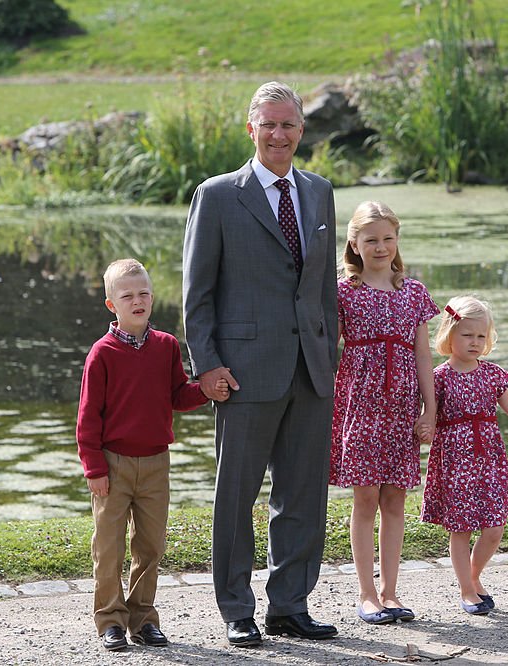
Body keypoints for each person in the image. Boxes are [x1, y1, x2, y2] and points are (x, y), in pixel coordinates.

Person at [182, 81, 339, 647]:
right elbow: (196, 294)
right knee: (237, 495)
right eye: (268, 124)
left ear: (302, 131)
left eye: (289, 125)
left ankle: (290, 605)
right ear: (251, 129)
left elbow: (323, 290)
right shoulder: (219, 195)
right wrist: (207, 365)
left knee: (302, 494)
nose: (279, 134)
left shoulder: (320, 192)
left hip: (311, 371)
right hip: (243, 372)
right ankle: (237, 609)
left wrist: (331, 357)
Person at [76, 258, 225, 651]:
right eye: (127, 296)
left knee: (150, 546)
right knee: (108, 548)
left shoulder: (166, 346)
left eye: (143, 294)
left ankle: (143, 619)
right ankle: (109, 620)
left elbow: (177, 394)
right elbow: (88, 418)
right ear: (112, 304)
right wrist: (94, 468)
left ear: (152, 298)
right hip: (113, 463)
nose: (137, 301)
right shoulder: (102, 353)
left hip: (157, 463)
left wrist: (205, 391)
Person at [329, 200, 438, 625]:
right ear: (354, 243)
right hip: (360, 403)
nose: (380, 247)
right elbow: (328, 351)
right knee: (366, 496)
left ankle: (392, 593)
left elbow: (425, 356)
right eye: (370, 239)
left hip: (402, 406)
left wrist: (430, 408)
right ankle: (367, 593)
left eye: (387, 238)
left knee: (395, 498)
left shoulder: (413, 291)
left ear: (397, 240)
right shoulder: (343, 291)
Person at [421, 296, 508, 615]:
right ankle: (467, 590)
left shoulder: (492, 374)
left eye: (481, 336)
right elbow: (428, 419)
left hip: (489, 459)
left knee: (493, 529)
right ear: (449, 334)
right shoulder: (439, 378)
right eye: (467, 335)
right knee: (460, 528)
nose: (475, 342)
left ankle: (473, 578)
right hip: (454, 461)